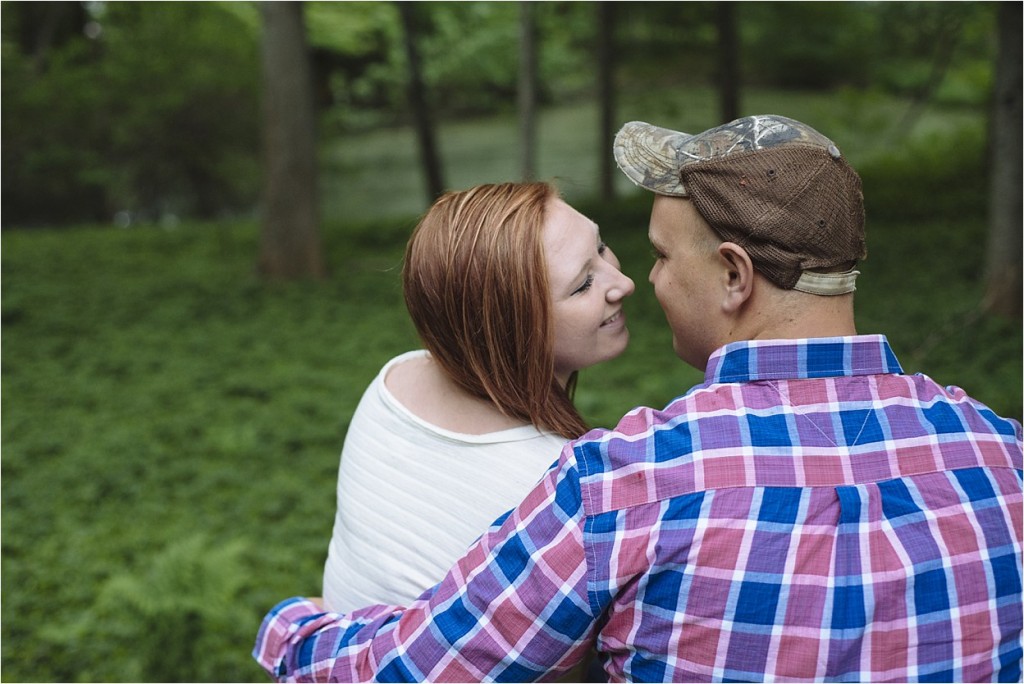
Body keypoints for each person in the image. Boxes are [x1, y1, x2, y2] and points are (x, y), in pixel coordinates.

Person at [254, 115, 1023, 682]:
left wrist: (290, 628)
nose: (641, 282)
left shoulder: (621, 491)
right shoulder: (1007, 461)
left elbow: (413, 669)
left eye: (657, 255)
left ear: (734, 276)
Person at [321, 182, 635, 615]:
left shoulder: (396, 380)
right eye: (582, 285)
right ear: (511, 326)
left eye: (601, 248)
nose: (624, 282)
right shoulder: (558, 488)